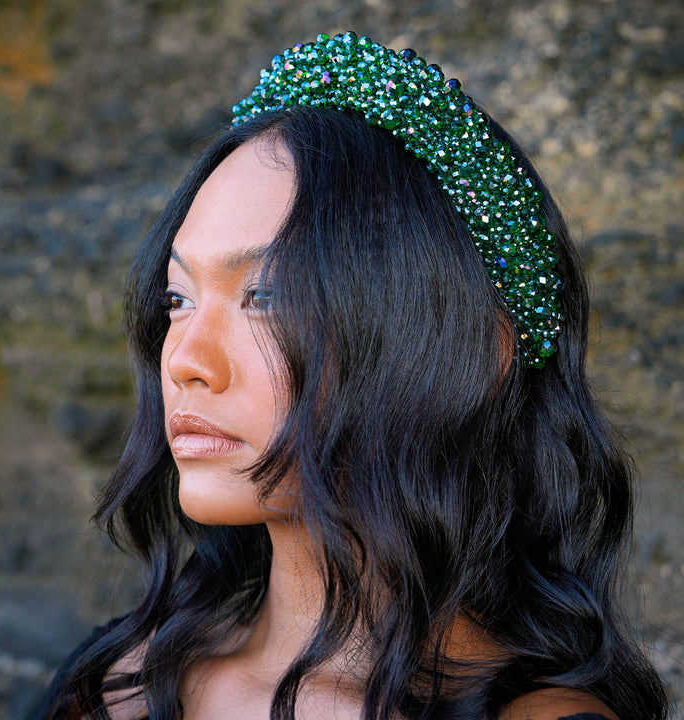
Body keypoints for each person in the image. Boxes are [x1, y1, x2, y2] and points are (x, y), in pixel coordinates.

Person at [37, 33, 669, 720]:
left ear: (477, 352)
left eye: (270, 296)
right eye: (178, 299)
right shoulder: (119, 688)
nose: (187, 361)